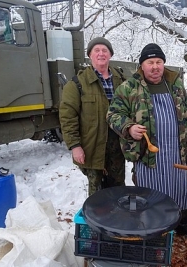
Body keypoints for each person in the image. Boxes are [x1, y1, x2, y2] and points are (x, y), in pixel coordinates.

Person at [107, 43, 187, 239]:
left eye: (159, 62)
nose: (155, 66)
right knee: (151, 192)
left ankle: (182, 222)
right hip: (147, 153)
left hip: (175, 149)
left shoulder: (175, 84)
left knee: (179, 189)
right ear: (142, 65)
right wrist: (129, 127)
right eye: (150, 62)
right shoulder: (129, 87)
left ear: (163, 64)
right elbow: (113, 114)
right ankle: (153, 227)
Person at [59, 37, 126, 196]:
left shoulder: (122, 81)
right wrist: (75, 146)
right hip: (93, 147)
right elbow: (68, 117)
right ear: (90, 55)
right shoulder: (77, 84)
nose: (101, 54)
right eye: (97, 50)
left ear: (110, 55)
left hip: (117, 147)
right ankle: (97, 221)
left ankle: (118, 220)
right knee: (97, 195)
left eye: (105, 50)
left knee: (119, 190)